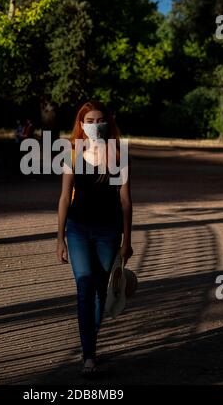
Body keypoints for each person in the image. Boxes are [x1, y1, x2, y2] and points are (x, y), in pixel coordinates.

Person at [56, 100, 133, 377]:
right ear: (81, 124)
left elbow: (125, 200)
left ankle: (91, 339)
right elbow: (65, 197)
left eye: (99, 119)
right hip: (77, 229)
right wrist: (59, 238)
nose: (94, 125)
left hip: (108, 231)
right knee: (85, 286)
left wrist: (127, 240)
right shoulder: (72, 153)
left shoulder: (117, 155)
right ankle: (89, 353)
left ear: (107, 122)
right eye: (89, 120)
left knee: (101, 291)